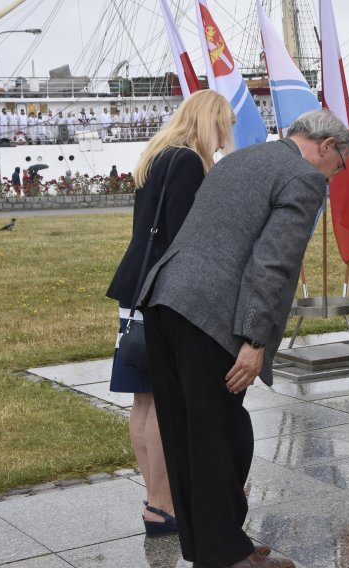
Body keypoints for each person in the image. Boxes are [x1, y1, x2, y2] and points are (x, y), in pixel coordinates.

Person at [138, 108, 349, 568]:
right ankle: (229, 557)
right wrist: (255, 341)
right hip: (210, 314)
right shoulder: (303, 177)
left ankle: (212, 547)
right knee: (223, 435)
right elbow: (273, 263)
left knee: (185, 435)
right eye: (341, 165)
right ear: (328, 146)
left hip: (163, 300)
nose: (336, 176)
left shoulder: (241, 158)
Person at [106, 90, 236, 540]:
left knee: (143, 401)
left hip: (135, 289)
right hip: (163, 294)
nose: (225, 136)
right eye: (223, 124)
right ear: (207, 120)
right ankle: (163, 505)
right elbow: (186, 237)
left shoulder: (157, 155)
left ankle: (153, 499)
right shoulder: (185, 161)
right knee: (161, 401)